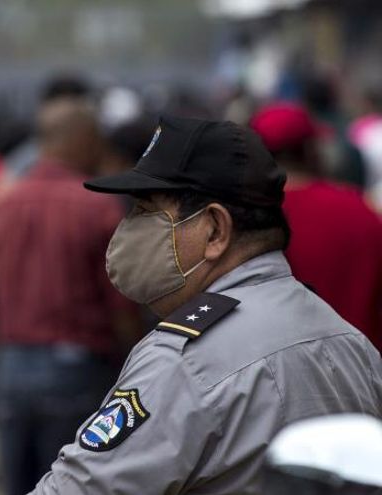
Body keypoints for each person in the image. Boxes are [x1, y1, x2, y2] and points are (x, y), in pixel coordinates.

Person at [32, 115, 382, 494]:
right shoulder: (351, 344)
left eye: (146, 212)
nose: (128, 227)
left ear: (215, 229)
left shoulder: (183, 362)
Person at [0, 99, 141, 495]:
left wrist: (8, 341)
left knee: (18, 483)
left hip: (11, 366)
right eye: (95, 140)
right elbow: (120, 302)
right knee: (76, 484)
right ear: (80, 140)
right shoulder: (98, 208)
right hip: (77, 368)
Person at [250, 102, 382, 349]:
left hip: (278, 376)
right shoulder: (359, 208)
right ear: (310, 151)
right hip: (366, 373)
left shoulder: (243, 219)